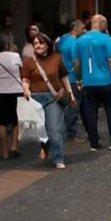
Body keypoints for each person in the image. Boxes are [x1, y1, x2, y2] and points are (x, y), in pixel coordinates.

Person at [21, 33, 75, 169]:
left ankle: (58, 158)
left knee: (54, 129)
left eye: (40, 43)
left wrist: (70, 93)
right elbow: (25, 79)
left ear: (47, 44)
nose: (38, 46)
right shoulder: (29, 61)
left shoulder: (56, 58)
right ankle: (45, 146)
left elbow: (64, 77)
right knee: (40, 130)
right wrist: (26, 89)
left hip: (53, 98)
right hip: (35, 99)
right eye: (35, 44)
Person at [74, 14, 111, 151]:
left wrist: (79, 78)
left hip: (89, 82)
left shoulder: (80, 40)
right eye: (105, 24)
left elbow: (76, 62)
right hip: (106, 81)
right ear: (101, 24)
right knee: (110, 112)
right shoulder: (105, 39)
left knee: (90, 112)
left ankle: (93, 142)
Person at [58, 19, 86, 141]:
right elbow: (76, 61)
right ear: (75, 28)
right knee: (73, 106)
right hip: (72, 77)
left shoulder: (62, 38)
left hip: (61, 76)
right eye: (82, 28)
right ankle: (71, 133)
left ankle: (63, 130)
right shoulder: (74, 42)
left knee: (64, 106)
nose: (84, 31)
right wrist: (80, 78)